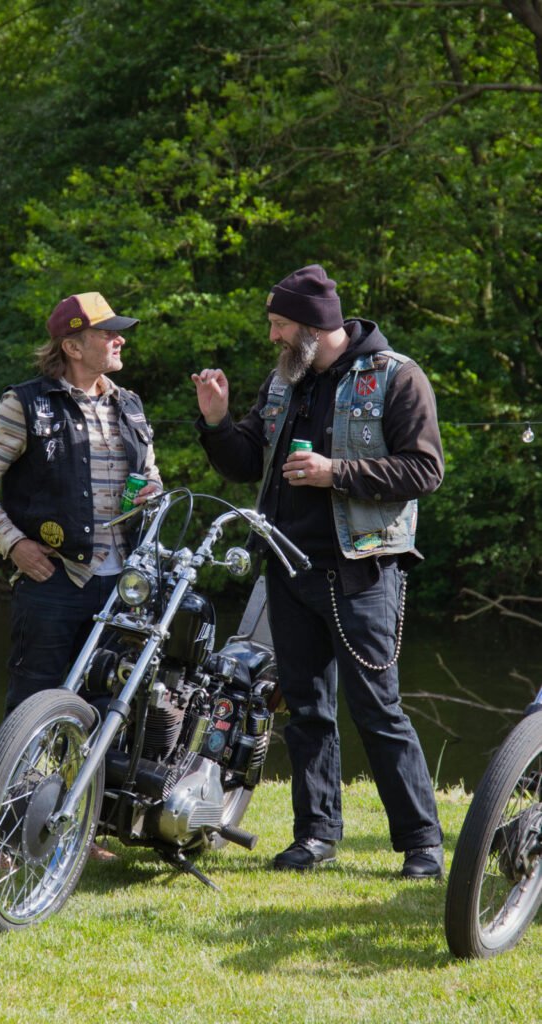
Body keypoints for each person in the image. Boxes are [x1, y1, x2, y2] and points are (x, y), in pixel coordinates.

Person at [191, 264, 445, 879]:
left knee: (377, 710)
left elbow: (425, 470)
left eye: (280, 324)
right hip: (288, 569)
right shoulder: (285, 380)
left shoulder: (396, 376)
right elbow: (245, 461)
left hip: (362, 572)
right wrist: (217, 421)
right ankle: (315, 836)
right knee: (305, 710)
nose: (273, 336)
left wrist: (337, 473)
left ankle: (422, 845)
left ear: (312, 325)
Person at [0, 290, 162, 717]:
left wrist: (152, 492)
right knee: (32, 710)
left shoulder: (129, 404)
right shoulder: (25, 403)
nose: (120, 339)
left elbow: (152, 477)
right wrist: (14, 544)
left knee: (112, 712)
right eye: (107, 333)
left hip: (124, 587)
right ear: (72, 347)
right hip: (53, 580)